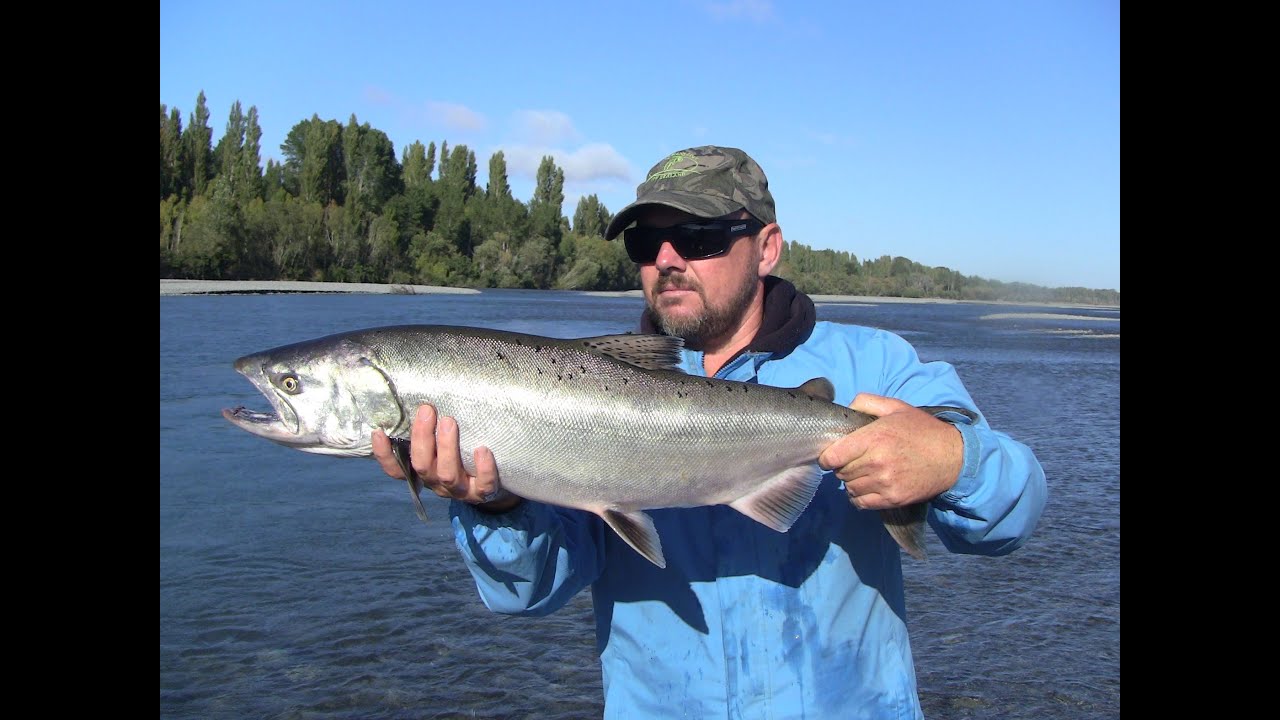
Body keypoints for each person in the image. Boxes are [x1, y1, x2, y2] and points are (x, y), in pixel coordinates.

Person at [371, 145, 1047, 718]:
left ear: (767, 249)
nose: (667, 258)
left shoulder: (877, 365)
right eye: (646, 242)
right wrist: (494, 503)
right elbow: (527, 594)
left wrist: (954, 459)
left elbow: (1012, 515)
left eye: (698, 238)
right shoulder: (566, 397)